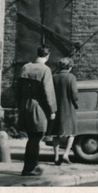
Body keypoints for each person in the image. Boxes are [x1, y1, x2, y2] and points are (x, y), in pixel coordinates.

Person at [16, 46, 57, 176]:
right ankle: (29, 168)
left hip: (25, 104)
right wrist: (52, 110)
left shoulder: (26, 67)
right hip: (37, 106)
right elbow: (48, 92)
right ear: (48, 56)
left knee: (31, 137)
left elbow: (18, 88)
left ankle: (31, 166)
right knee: (36, 137)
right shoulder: (45, 70)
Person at [49, 57, 79, 165]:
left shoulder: (54, 77)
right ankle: (66, 154)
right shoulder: (71, 77)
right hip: (68, 108)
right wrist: (76, 103)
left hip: (56, 109)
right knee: (71, 133)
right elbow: (74, 94)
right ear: (69, 67)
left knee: (55, 134)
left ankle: (56, 157)